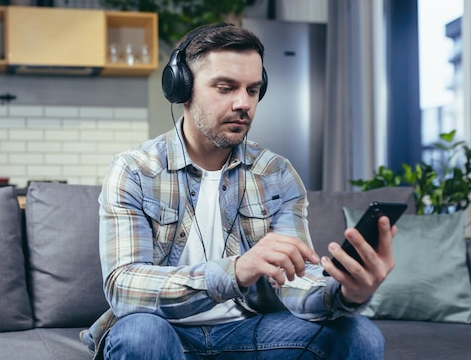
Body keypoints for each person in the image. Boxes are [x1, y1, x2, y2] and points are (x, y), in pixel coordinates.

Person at [80, 23, 396, 359]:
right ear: (182, 89)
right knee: (141, 334)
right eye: (226, 88)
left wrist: (346, 293)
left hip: (246, 331)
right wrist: (235, 271)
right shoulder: (134, 170)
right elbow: (124, 286)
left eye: (253, 90)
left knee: (358, 334)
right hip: (164, 332)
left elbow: (294, 281)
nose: (244, 103)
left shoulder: (276, 174)